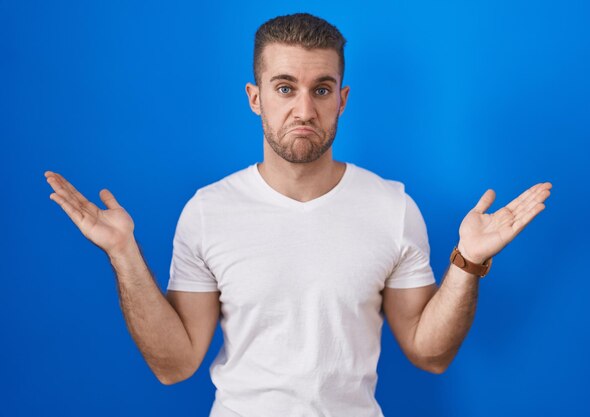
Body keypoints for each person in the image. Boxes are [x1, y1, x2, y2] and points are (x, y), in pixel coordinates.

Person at [44, 12, 552, 417]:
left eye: (321, 89)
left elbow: (429, 353)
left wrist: (467, 263)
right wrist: (124, 255)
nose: (304, 110)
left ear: (342, 99)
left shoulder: (392, 207)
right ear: (255, 98)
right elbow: (174, 365)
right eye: (285, 88)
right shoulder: (208, 210)